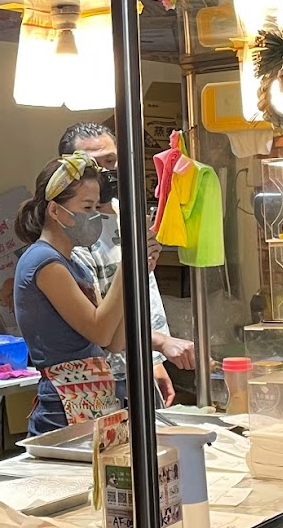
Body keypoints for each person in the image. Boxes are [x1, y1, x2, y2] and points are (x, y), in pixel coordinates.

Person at [61, 123, 196, 406]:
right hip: (93, 378)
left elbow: (146, 292)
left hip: (137, 365)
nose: (105, 172)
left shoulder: (128, 215)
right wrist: (159, 343)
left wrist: (153, 360)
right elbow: (98, 323)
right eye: (93, 165)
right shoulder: (72, 233)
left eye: (111, 161)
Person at [14, 153, 127, 436]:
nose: (95, 215)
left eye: (97, 206)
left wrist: (138, 272)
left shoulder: (76, 265)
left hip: (93, 400)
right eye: (87, 206)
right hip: (62, 407)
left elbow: (115, 341)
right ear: (55, 210)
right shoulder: (44, 262)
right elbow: (100, 331)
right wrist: (128, 267)